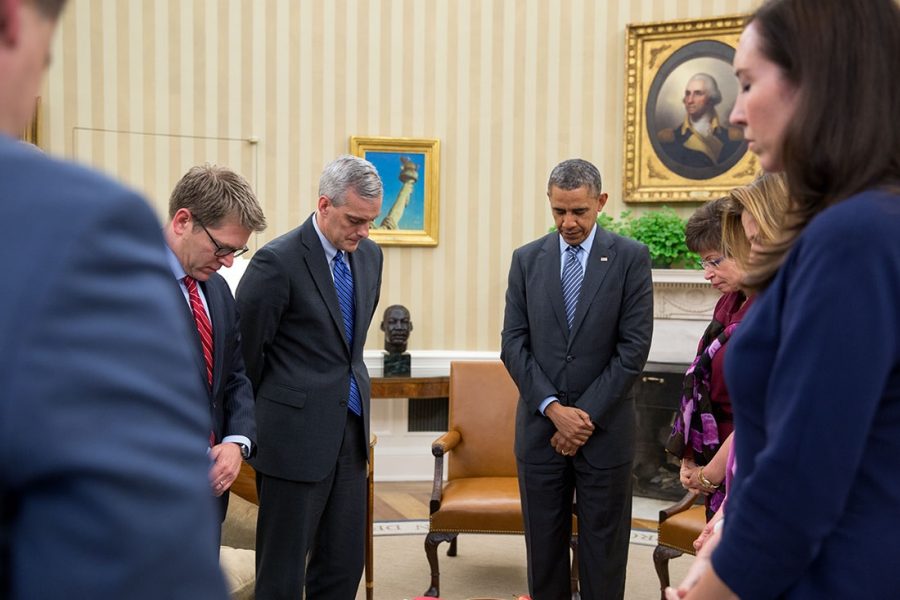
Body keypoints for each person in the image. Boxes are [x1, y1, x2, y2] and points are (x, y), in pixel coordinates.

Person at [669, 0, 900, 598]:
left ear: (820, 82)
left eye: (747, 84)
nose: (739, 115)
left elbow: (799, 482)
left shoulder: (854, 236)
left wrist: (710, 588)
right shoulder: (875, 221)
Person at [0, 1, 227, 598]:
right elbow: (140, 559)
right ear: (12, 20)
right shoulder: (78, 230)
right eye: (45, 62)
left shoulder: (216, 294)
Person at [501, 158, 654, 599]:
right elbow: (513, 344)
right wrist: (553, 409)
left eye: (579, 212)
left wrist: (580, 418)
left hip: (604, 433)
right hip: (539, 432)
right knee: (543, 555)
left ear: (601, 202)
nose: (568, 222)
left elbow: (633, 349)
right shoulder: (527, 260)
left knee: (604, 556)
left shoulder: (629, 258)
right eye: (558, 211)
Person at [236, 155, 384, 599]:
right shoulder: (276, 262)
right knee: (282, 573)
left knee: (343, 566)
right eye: (354, 220)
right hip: (292, 439)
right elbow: (245, 357)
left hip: (351, 435)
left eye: (371, 222)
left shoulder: (370, 256)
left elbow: (347, 348)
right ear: (324, 205)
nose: (363, 232)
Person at [670, 173, 788, 519]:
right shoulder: (728, 304)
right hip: (716, 457)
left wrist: (709, 475)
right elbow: (699, 384)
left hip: (747, 460)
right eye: (703, 262)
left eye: (714, 260)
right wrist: (690, 457)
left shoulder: (771, 311)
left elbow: (763, 414)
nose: (707, 272)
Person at [162, 164, 266, 523]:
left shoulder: (218, 290)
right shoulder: (125, 286)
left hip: (209, 498)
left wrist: (236, 442)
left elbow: (235, 374)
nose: (226, 263)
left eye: (236, 251)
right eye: (221, 247)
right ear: (182, 221)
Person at [657, 73, 744, 170]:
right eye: (687, 94)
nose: (689, 100)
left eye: (698, 93)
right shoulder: (669, 139)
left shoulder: (733, 137)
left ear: (711, 99)